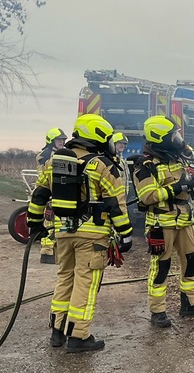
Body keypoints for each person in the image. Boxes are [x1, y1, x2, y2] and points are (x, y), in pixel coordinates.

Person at [27, 114, 133, 353]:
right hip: (93, 238)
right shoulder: (102, 165)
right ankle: (78, 336)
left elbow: (39, 195)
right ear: (96, 137)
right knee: (86, 283)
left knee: (65, 278)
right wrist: (126, 234)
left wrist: (34, 224)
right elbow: (116, 204)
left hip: (63, 232)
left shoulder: (54, 162)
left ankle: (57, 332)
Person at [132, 115, 194, 328]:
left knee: (192, 260)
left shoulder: (179, 160)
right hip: (161, 223)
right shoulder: (144, 165)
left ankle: (191, 303)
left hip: (184, 220)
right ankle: (158, 311)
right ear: (160, 138)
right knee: (161, 266)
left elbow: (193, 184)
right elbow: (148, 196)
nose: (179, 140)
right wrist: (176, 187)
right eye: (174, 136)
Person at [35, 128, 67, 264]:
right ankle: (46, 252)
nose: (62, 142)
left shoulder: (57, 153)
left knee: (58, 224)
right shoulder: (46, 155)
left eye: (63, 140)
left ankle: (54, 251)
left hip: (57, 193)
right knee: (49, 223)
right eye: (59, 140)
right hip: (48, 192)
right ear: (51, 140)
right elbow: (46, 176)